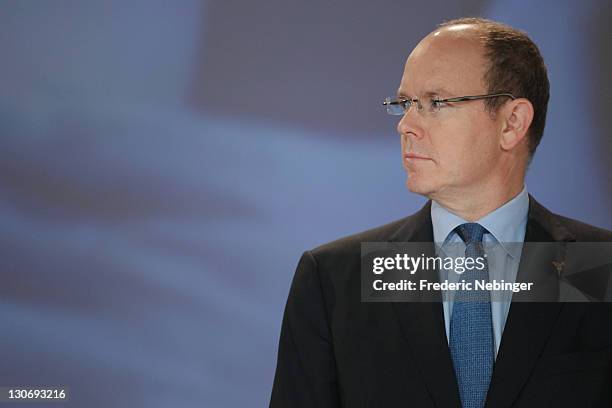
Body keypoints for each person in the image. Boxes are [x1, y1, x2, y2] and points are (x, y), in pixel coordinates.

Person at [270, 17, 612, 408]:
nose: (406, 124)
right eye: (404, 103)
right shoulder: (335, 278)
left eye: (435, 102)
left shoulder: (597, 266)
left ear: (512, 123)